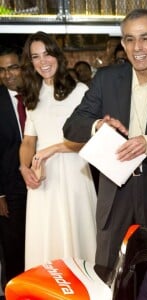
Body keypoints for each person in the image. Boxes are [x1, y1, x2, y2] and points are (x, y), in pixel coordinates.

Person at [63, 8, 147, 270]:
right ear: (123, 44)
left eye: (145, 38)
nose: (137, 47)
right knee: (109, 271)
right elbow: (72, 126)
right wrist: (98, 125)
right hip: (115, 195)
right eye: (129, 39)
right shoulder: (106, 79)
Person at [19, 31, 97, 270]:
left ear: (57, 55)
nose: (43, 61)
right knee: (44, 242)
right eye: (36, 56)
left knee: (78, 240)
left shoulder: (80, 91)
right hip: (42, 179)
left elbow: (90, 140)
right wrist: (24, 167)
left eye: (47, 53)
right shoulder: (32, 95)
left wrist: (52, 149)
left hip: (75, 174)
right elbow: (28, 142)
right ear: (30, 62)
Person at [0, 46, 27, 287]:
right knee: (14, 248)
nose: (7, 75)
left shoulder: (40, 95)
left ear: (23, 67)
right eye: (1, 70)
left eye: (12, 67)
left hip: (44, 184)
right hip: (10, 190)